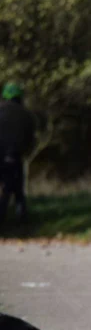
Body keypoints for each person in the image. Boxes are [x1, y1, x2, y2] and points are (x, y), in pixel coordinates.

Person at [0, 83, 36, 226]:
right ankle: (21, 218)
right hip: (15, 156)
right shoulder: (26, 115)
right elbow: (30, 139)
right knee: (17, 188)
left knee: (6, 187)